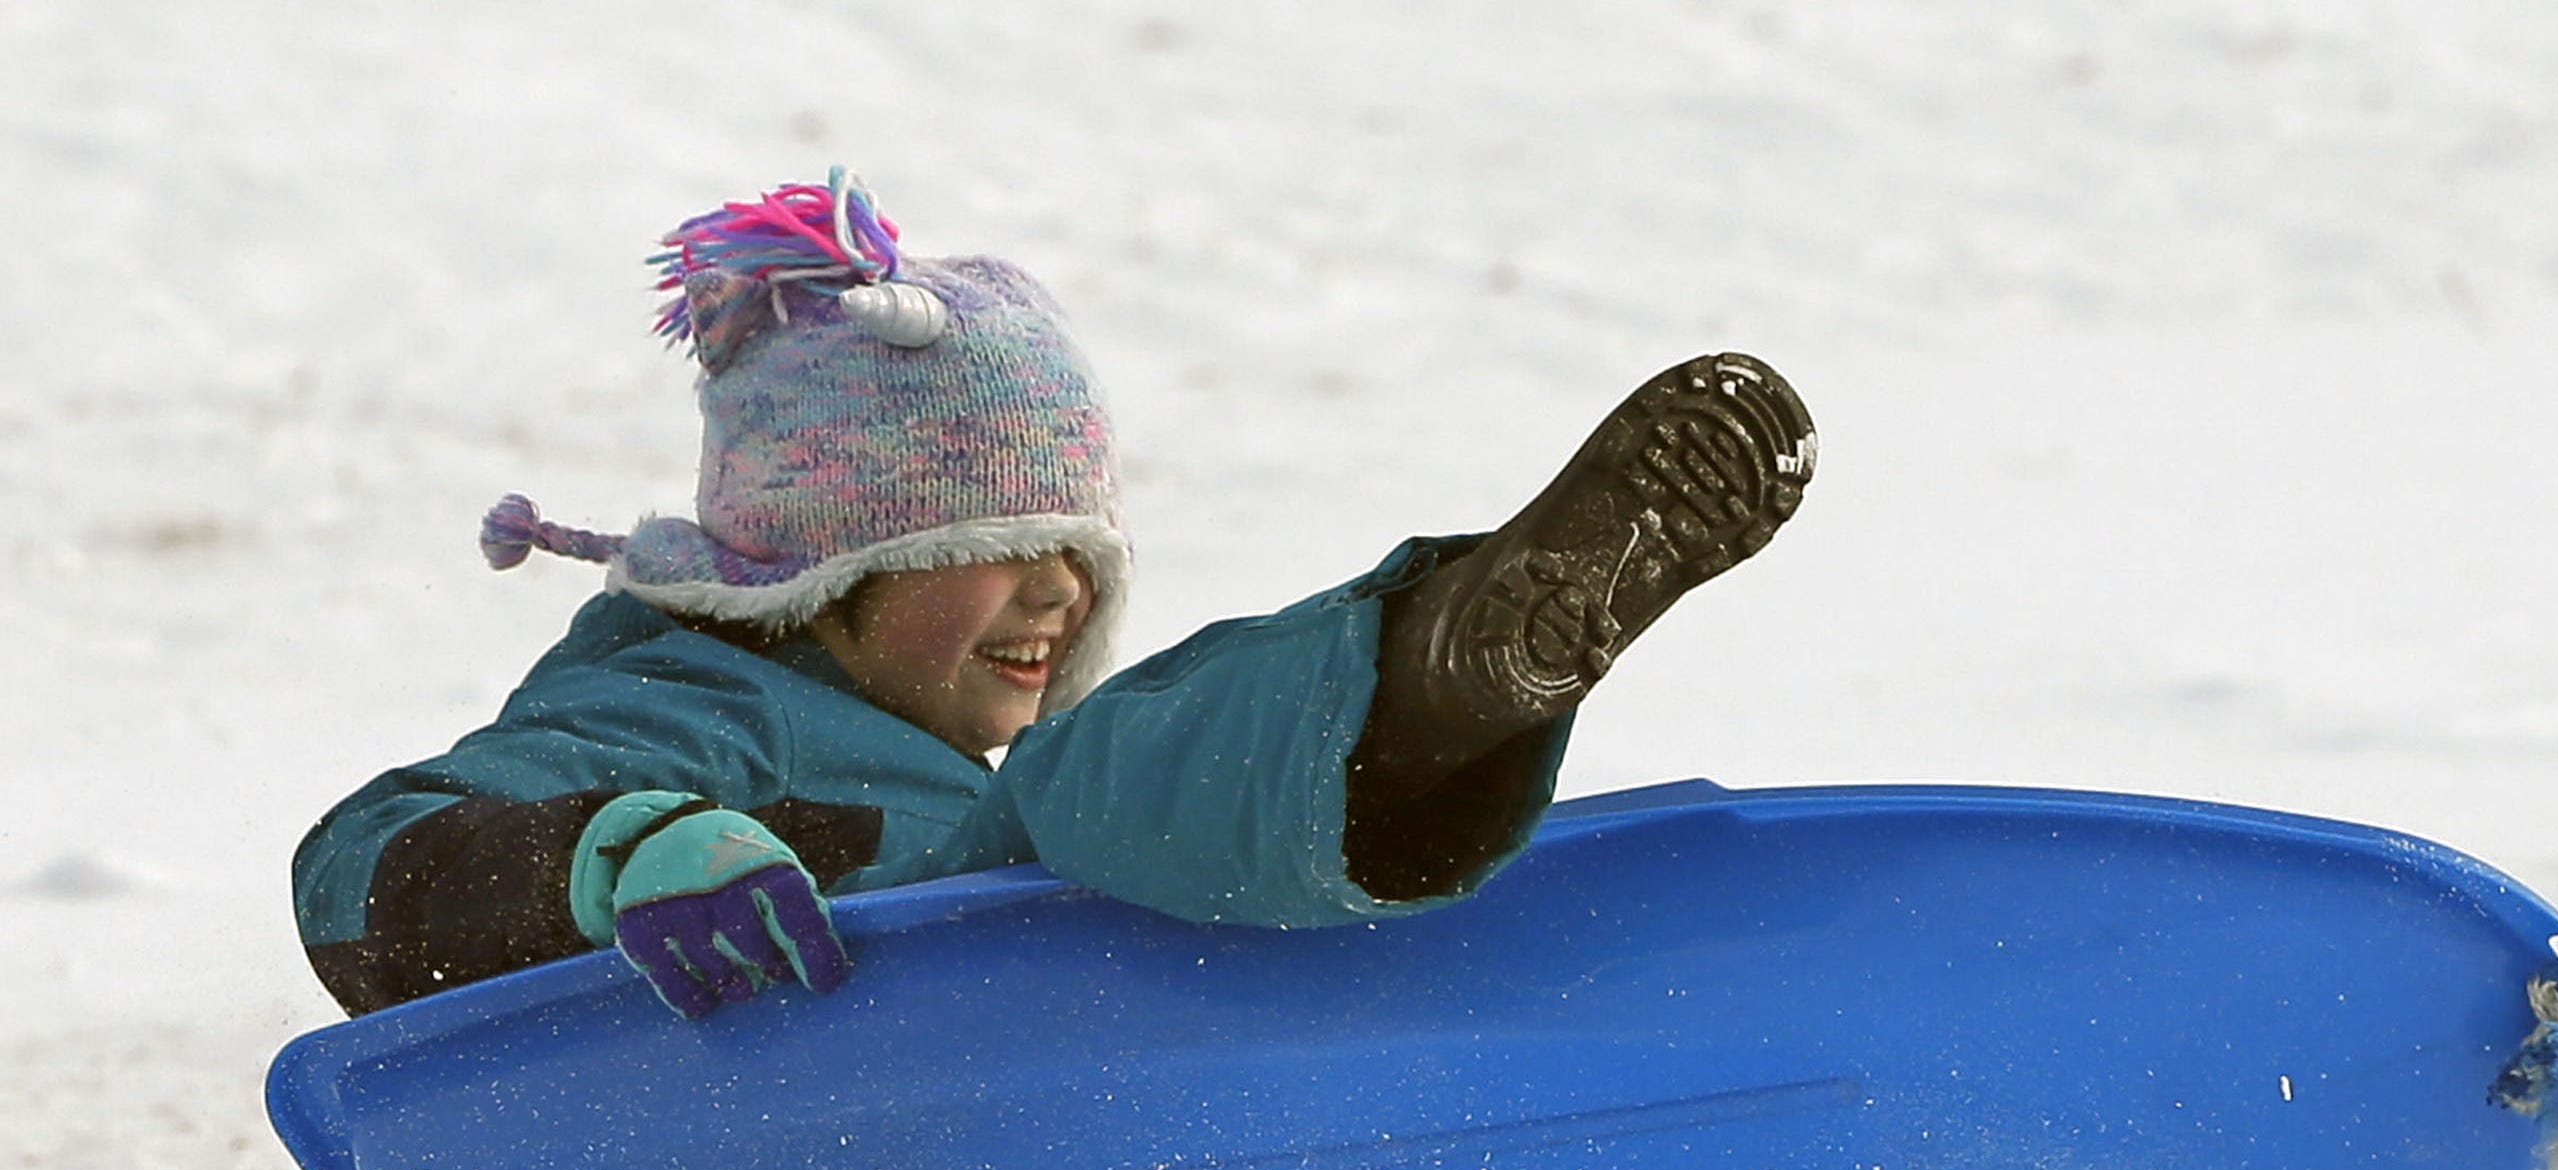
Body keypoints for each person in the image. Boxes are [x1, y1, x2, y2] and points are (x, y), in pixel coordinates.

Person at [291, 173, 1814, 1019]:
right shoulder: (686, 707)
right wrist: (617, 854)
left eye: (1085, 548)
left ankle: (1437, 723)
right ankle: (1420, 688)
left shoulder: (924, 757)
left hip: (991, 1169)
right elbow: (360, 878)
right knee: (1088, 813)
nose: (1062, 591)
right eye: (998, 542)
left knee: (1143, 860)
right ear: (830, 575)